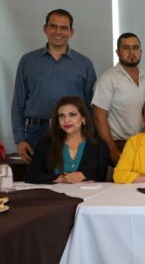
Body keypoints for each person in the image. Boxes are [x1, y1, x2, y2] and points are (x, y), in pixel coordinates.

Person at [12, 9, 96, 163]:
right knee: (38, 176)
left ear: (71, 32)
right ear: (45, 29)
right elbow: (18, 103)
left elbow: (91, 106)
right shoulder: (28, 61)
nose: (58, 32)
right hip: (36, 133)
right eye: (53, 26)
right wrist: (20, 139)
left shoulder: (84, 64)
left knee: (71, 177)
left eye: (64, 28)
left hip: (74, 133)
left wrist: (90, 137)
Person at [92, 33, 145, 165]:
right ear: (118, 52)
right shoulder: (108, 79)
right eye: (126, 48)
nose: (131, 52)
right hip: (119, 145)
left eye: (135, 48)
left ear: (141, 52)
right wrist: (112, 150)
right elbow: (99, 117)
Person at [25, 96, 109, 184]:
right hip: (55, 192)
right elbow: (30, 175)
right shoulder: (45, 143)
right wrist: (58, 178)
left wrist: (84, 175)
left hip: (86, 192)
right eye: (61, 116)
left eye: (72, 115)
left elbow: (102, 177)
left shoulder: (99, 145)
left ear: (83, 118)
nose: (66, 120)